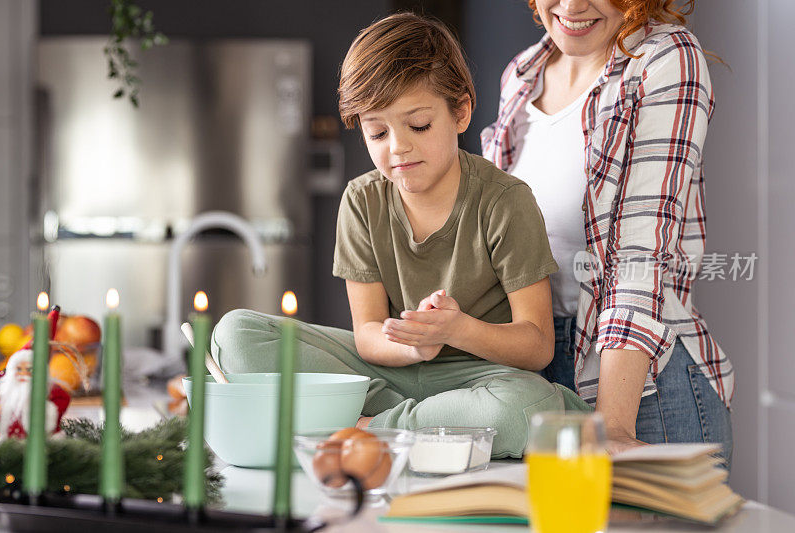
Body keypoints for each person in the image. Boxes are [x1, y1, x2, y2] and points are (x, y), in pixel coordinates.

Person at [211, 12, 589, 459]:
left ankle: (361, 427)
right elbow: (368, 334)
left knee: (525, 407)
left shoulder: (505, 201)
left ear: (461, 111)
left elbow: (538, 345)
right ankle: (421, 426)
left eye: (419, 125)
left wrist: (456, 329)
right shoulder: (361, 201)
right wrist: (415, 347)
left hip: (481, 379)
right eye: (377, 132)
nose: (397, 147)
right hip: (387, 371)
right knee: (234, 335)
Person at [482, 0, 733, 463]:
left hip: (642, 387)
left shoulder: (664, 58)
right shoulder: (521, 74)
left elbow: (640, 250)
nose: (574, 5)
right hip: (540, 376)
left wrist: (615, 423)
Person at [0, 349, 70, 442]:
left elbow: (60, 404)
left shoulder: (52, 393)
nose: (23, 374)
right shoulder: (2, 394)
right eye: (19, 369)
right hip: (5, 446)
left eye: (29, 369)